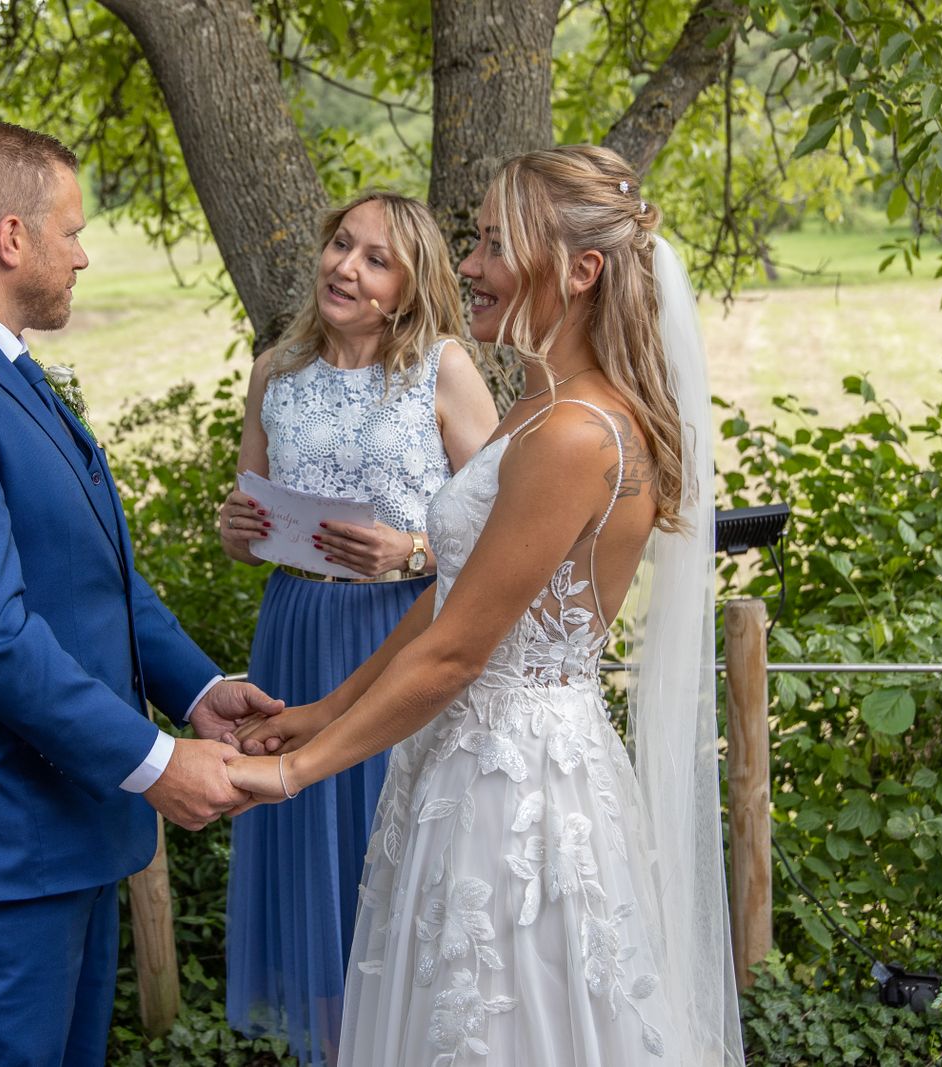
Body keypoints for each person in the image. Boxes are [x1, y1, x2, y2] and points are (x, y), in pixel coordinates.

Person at [230, 145, 745, 1066]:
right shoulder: (540, 407)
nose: (467, 264)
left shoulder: (578, 433)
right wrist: (319, 710)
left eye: (494, 244)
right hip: (460, 768)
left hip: (520, 793)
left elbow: (458, 651)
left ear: (580, 271)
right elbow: (448, 604)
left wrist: (291, 775)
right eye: (475, 241)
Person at [0, 121, 282, 1067]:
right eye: (72, 232)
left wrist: (198, 692)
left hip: (65, 838)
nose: (82, 255)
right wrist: (157, 760)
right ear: (12, 237)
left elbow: (96, 578)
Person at [217, 191, 498, 1064]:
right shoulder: (275, 371)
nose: (346, 266)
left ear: (409, 288)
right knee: (314, 867)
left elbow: (505, 530)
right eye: (342, 245)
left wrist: (413, 549)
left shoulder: (443, 368)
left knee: (400, 849)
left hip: (403, 633)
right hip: (296, 630)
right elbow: (251, 513)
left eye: (376, 258)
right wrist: (237, 532)